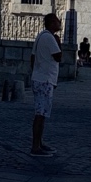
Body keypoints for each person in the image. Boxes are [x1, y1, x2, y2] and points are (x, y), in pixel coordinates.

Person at [30, 12, 62, 156]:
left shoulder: (40, 36)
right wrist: (58, 42)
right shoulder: (50, 38)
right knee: (40, 114)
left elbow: (32, 57)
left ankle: (40, 143)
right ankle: (35, 147)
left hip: (40, 78)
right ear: (51, 23)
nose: (59, 23)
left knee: (41, 114)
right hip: (45, 80)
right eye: (57, 21)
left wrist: (36, 71)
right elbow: (58, 56)